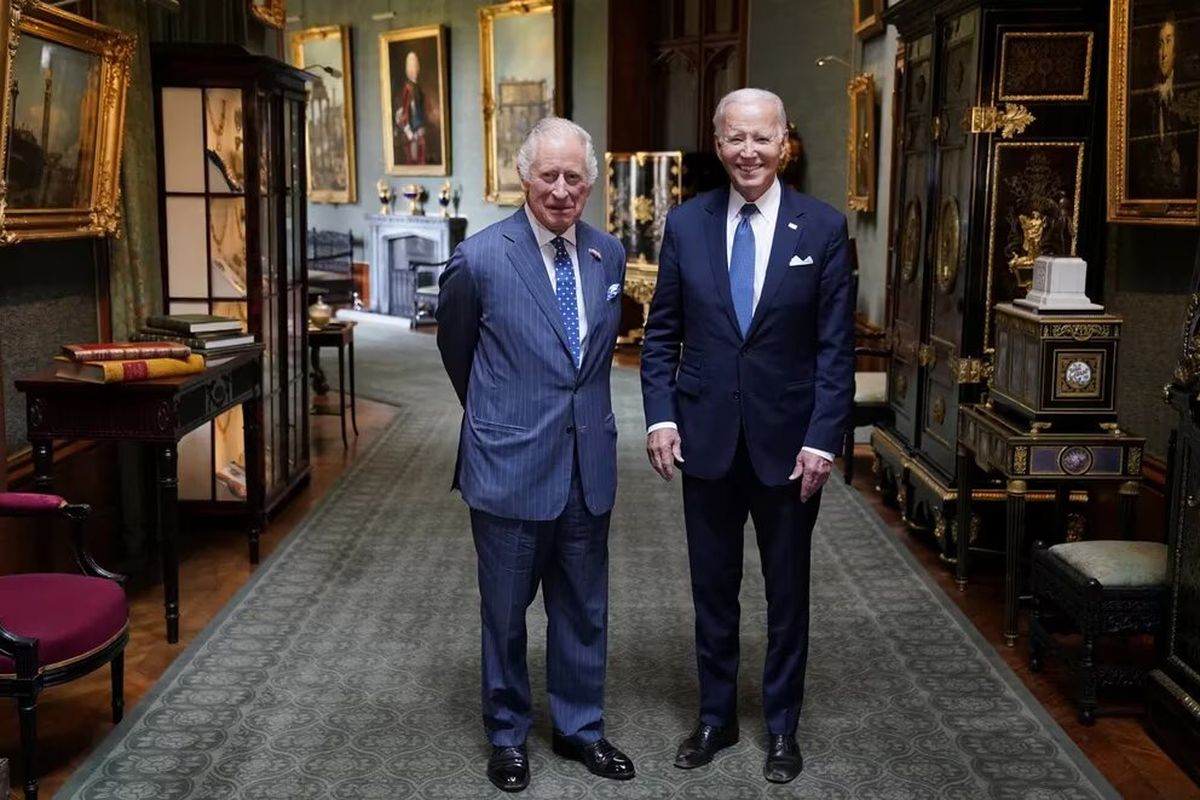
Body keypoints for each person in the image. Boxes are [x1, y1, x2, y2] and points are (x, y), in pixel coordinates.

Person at [640, 87, 854, 784]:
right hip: (705, 439)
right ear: (717, 139)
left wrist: (824, 436)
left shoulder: (821, 230)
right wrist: (662, 415)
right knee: (713, 588)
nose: (749, 151)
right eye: (735, 137)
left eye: (762, 138)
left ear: (784, 142)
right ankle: (716, 717)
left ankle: (783, 726)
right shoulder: (687, 223)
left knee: (787, 592)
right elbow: (661, 334)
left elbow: (834, 350)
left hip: (792, 449)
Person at [436, 117, 634, 793]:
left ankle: (581, 729)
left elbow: (597, 362)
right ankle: (508, 735)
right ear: (523, 175)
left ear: (591, 182)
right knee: (506, 610)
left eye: (573, 176)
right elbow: (457, 350)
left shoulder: (609, 255)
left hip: (588, 466)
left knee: (584, 607)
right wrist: (501, 416)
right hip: (509, 464)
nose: (559, 189)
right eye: (546, 174)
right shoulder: (481, 258)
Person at [1132, 16, 1197, 200]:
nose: (1163, 53)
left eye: (1168, 42)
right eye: (1160, 44)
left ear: (1177, 49)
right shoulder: (1146, 98)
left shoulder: (1188, 92)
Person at [395, 51, 427, 165]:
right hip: (413, 136)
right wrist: (411, 134)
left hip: (420, 133)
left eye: (415, 65)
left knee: (422, 161)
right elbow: (403, 114)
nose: (414, 68)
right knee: (414, 161)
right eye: (411, 65)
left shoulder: (418, 87)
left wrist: (422, 128)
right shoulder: (407, 88)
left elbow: (420, 111)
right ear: (407, 69)